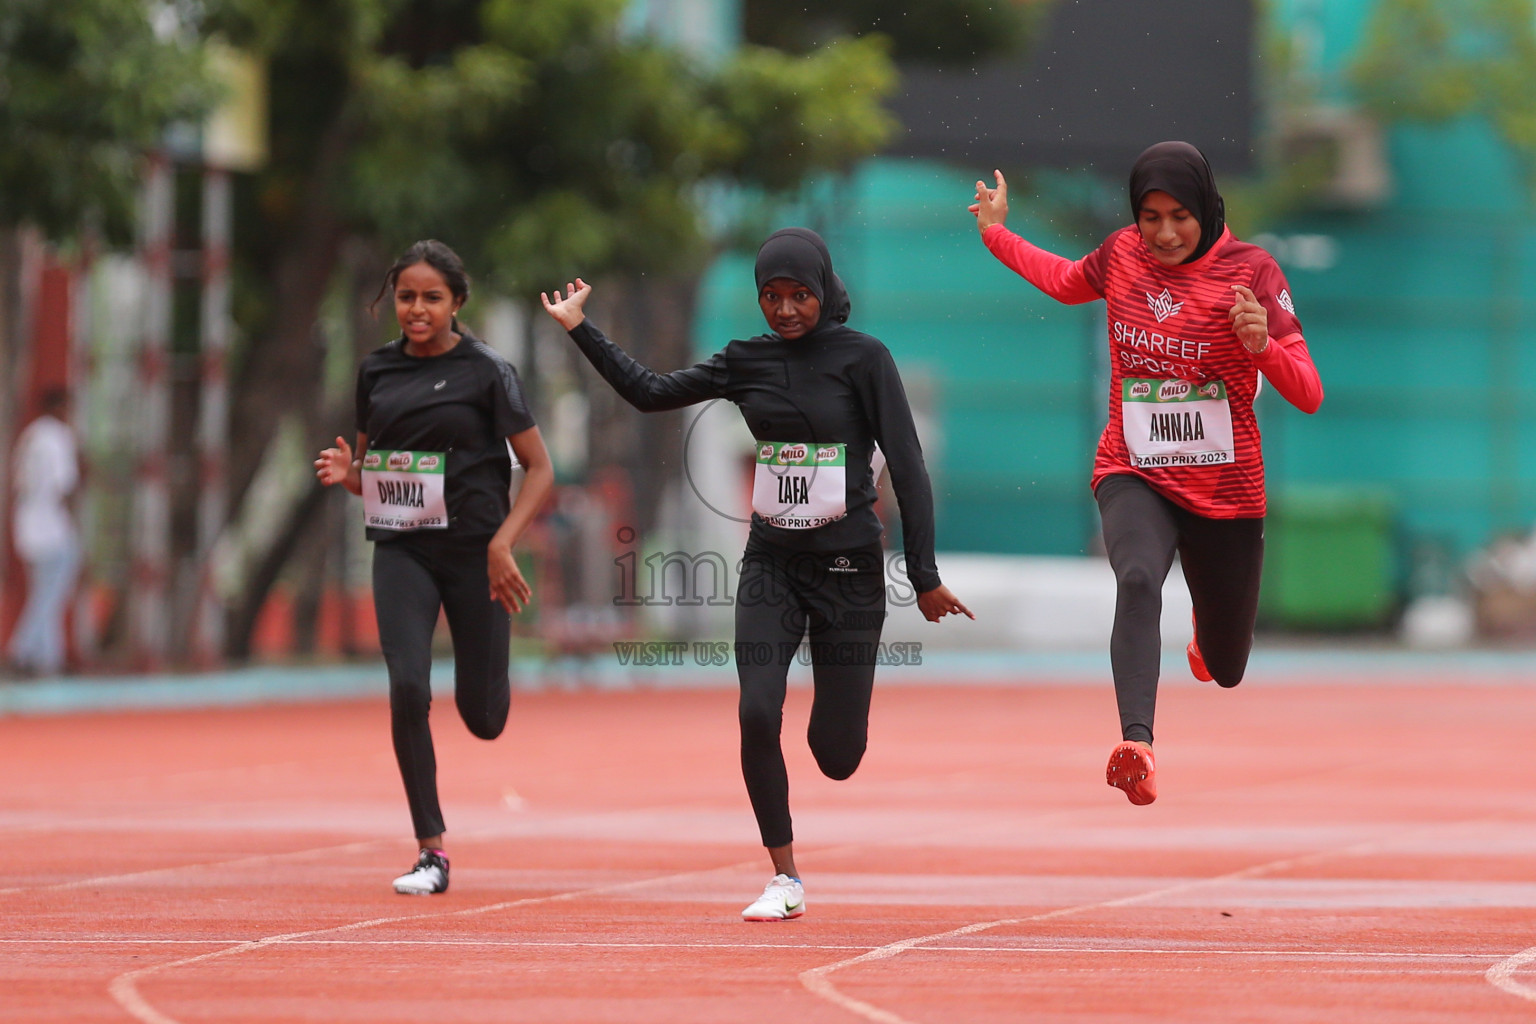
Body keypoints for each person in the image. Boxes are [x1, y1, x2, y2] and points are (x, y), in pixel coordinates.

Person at [541, 228, 972, 921]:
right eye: (771, 297)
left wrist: (923, 575)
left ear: (825, 291)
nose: (786, 310)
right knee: (753, 711)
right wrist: (580, 329)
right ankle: (784, 876)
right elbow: (650, 392)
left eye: (799, 295)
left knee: (836, 754)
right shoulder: (746, 361)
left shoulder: (865, 359)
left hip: (847, 568)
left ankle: (837, 726)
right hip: (771, 562)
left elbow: (909, 467)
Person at [970, 141, 1324, 805]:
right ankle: (1138, 742)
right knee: (1135, 578)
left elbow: (1308, 392)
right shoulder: (1121, 254)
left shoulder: (1254, 272)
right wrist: (996, 233)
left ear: (1208, 210)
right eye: (1150, 215)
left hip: (1226, 492)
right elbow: (1064, 279)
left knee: (1227, 667)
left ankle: (1205, 630)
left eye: (1179, 216)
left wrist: (1263, 346)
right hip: (1134, 467)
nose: (1163, 232)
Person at [315, 240, 553, 894]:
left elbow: (539, 467)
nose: (417, 309)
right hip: (402, 549)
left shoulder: (488, 372)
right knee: (407, 686)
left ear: (456, 303)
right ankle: (431, 850)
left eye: (431, 297)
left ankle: (485, 680)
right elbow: (375, 472)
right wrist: (349, 477)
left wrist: (504, 543)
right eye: (407, 297)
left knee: (483, 718)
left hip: (476, 553)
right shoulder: (375, 373)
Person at [7, 388, 81, 677]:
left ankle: (50, 659)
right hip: (52, 526)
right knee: (50, 595)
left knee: (46, 592)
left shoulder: (30, 436)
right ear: (59, 406)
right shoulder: (58, 437)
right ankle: (19, 651)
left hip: (26, 526)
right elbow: (65, 487)